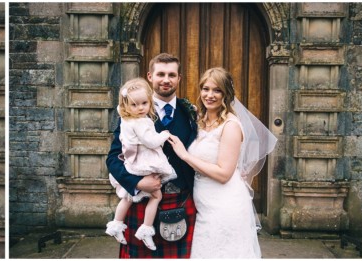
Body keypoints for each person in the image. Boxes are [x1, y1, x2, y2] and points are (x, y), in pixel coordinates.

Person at [167, 67, 275, 258]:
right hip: (202, 202)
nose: (210, 95)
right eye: (205, 89)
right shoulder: (199, 121)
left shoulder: (231, 125)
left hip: (225, 204)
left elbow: (224, 174)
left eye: (217, 90)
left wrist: (186, 156)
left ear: (226, 94)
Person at [106, 53, 198, 258]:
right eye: (161, 74)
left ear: (179, 78)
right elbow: (113, 158)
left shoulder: (189, 112)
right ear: (150, 76)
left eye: (172, 74)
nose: (166, 79)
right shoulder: (132, 112)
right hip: (141, 200)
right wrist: (137, 183)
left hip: (181, 200)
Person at [105, 78, 176, 251]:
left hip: (135, 164)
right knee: (155, 195)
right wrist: (164, 135)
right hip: (145, 165)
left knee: (127, 197)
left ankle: (116, 224)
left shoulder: (128, 119)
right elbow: (150, 141)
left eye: (144, 103)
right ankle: (145, 229)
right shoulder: (140, 121)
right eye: (135, 105)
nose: (140, 108)